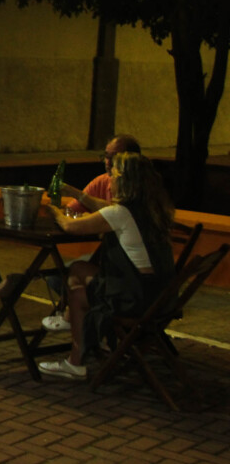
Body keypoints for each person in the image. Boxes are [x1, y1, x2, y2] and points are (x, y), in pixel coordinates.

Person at [40, 153, 175, 379]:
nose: (109, 181)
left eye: (113, 176)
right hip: (162, 296)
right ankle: (70, 325)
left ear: (124, 181)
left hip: (136, 300)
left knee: (78, 291)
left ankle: (75, 359)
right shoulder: (152, 209)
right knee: (79, 270)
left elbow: (71, 227)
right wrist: (77, 194)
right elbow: (107, 208)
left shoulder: (121, 213)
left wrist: (54, 211)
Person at [64, 134, 141, 215]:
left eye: (115, 157)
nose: (108, 162)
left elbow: (117, 213)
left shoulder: (141, 187)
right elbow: (70, 210)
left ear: (131, 160)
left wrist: (76, 193)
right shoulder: (101, 181)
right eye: (106, 156)